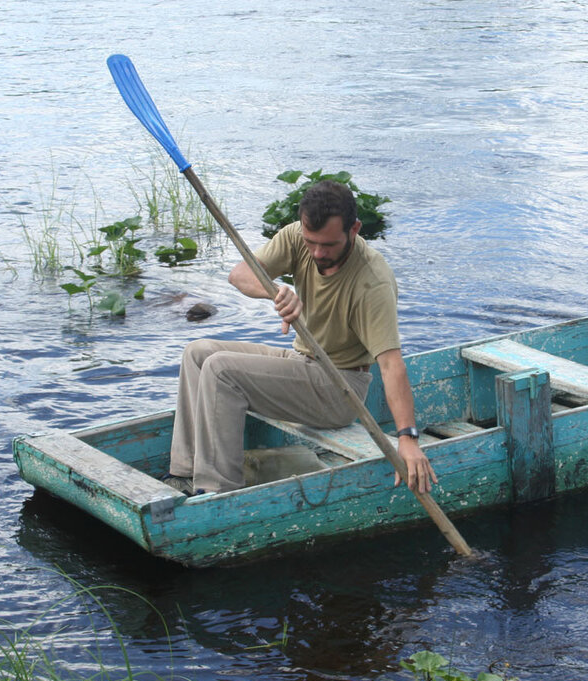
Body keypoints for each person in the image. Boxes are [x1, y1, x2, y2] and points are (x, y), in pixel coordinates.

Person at [163, 180, 436, 497]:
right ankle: (184, 474)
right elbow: (239, 275)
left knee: (221, 370)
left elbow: (390, 364)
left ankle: (216, 493)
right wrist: (276, 291)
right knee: (198, 353)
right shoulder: (296, 237)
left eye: (329, 245)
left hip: (339, 388)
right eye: (311, 243)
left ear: (355, 229)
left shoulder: (371, 282)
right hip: (302, 361)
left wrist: (408, 438)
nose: (318, 253)